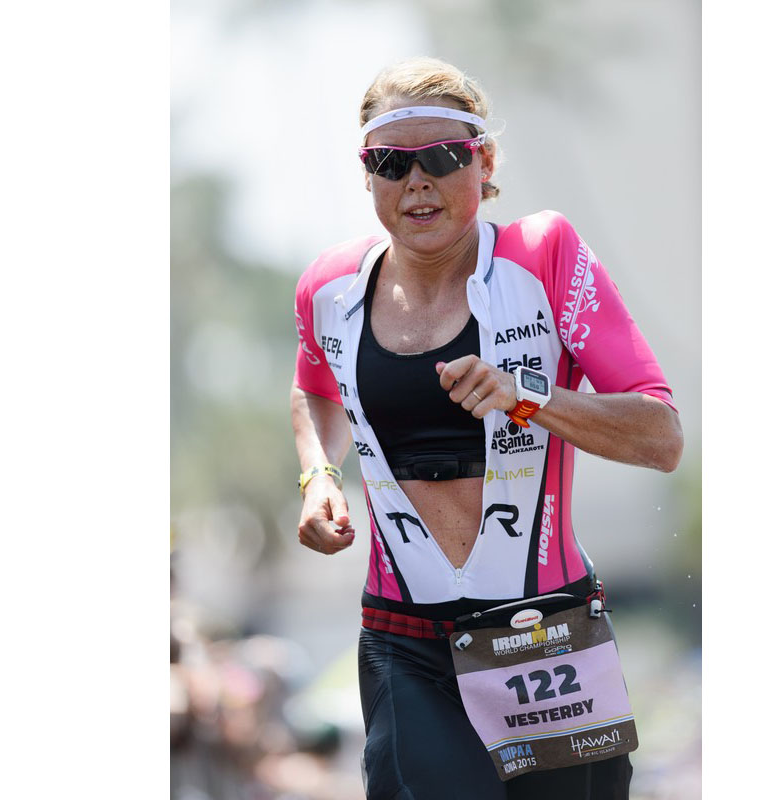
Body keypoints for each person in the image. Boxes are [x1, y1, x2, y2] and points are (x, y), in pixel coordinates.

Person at [290, 57, 683, 800]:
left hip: (545, 636)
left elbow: (660, 435)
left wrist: (527, 397)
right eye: (392, 162)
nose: (418, 182)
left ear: (485, 161)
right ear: (368, 173)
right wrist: (318, 476)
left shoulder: (544, 255)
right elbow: (314, 390)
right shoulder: (329, 287)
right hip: (406, 643)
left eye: (442, 157)